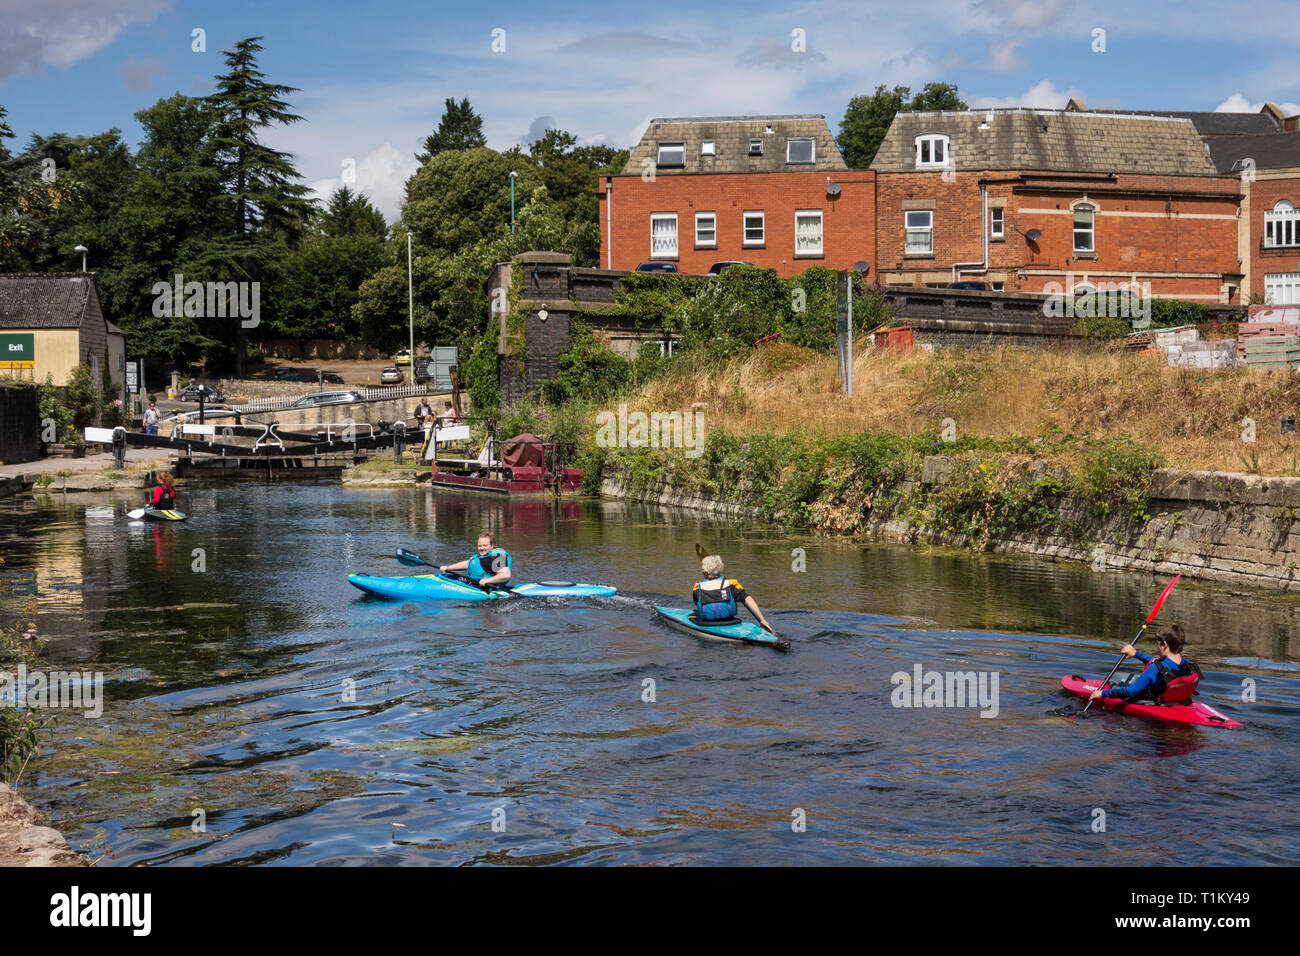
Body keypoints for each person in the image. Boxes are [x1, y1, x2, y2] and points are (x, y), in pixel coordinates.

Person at [1088, 624, 1200, 704]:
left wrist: (1102, 694)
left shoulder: (1155, 668)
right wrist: (1136, 654)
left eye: (1158, 644)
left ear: (1164, 645)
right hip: (1181, 702)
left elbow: (1130, 691)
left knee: (1117, 678)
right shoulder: (1189, 665)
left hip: (1155, 703)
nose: (1157, 648)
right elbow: (1162, 666)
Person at [692, 554, 775, 634]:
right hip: (730, 621)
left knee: (694, 614)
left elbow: (697, 604)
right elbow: (747, 599)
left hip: (707, 624)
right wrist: (762, 620)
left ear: (705, 573)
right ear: (720, 569)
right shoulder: (731, 585)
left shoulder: (697, 587)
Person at [440, 532, 512, 588]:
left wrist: (487, 580)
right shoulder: (481, 556)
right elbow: (468, 564)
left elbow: (505, 575)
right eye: (479, 546)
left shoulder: (497, 556)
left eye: (485, 545)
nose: (481, 548)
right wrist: (448, 568)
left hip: (492, 589)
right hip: (476, 585)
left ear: (492, 545)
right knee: (448, 576)